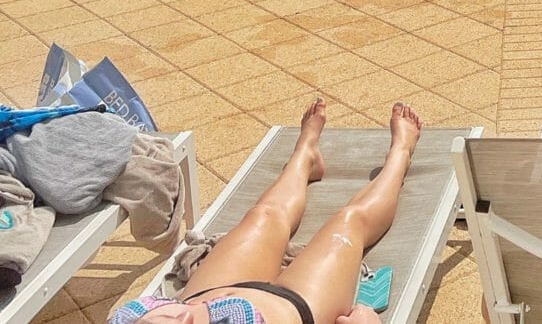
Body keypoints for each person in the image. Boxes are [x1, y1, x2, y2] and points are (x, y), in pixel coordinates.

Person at [109, 99, 423, 324]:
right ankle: (400, 155)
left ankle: (305, 156)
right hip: (296, 307)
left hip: (208, 296)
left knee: (265, 215)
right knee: (349, 222)